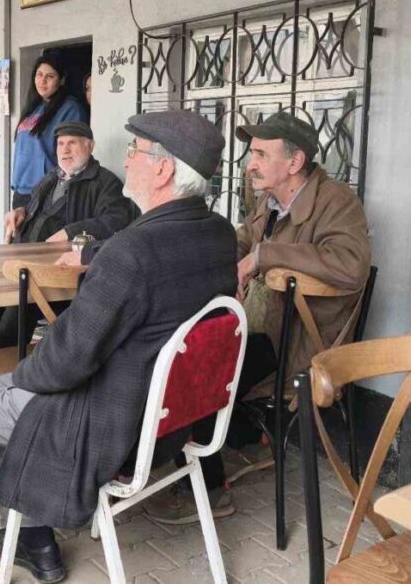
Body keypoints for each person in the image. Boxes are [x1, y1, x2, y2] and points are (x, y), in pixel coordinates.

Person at [0, 110, 236, 584]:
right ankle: (33, 538)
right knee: (2, 389)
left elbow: (64, 364)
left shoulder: (132, 251)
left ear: (163, 169)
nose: (127, 160)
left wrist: (13, 382)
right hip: (170, 424)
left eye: (135, 152)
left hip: (105, 427)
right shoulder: (219, 235)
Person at [145, 111, 372, 525]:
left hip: (301, 339)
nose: (249, 163)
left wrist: (264, 257)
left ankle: (211, 490)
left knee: (198, 367)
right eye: (252, 153)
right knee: (172, 345)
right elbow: (242, 243)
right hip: (261, 326)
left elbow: (351, 265)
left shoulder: (337, 201)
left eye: (260, 154)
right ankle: (242, 438)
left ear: (295, 161)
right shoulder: (270, 203)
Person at [0, 120, 136, 351]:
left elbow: (117, 220)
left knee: (14, 304)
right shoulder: (51, 177)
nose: (65, 150)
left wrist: (70, 231)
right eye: (60, 144)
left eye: (72, 143)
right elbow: (36, 208)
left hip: (56, 274)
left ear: (90, 146)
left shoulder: (105, 182)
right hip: (24, 261)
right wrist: (20, 212)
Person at [10, 54, 87, 209]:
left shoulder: (70, 108)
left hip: (47, 194)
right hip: (21, 191)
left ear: (61, 80)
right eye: (39, 75)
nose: (42, 81)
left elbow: (73, 154)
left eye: (50, 76)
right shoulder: (33, 107)